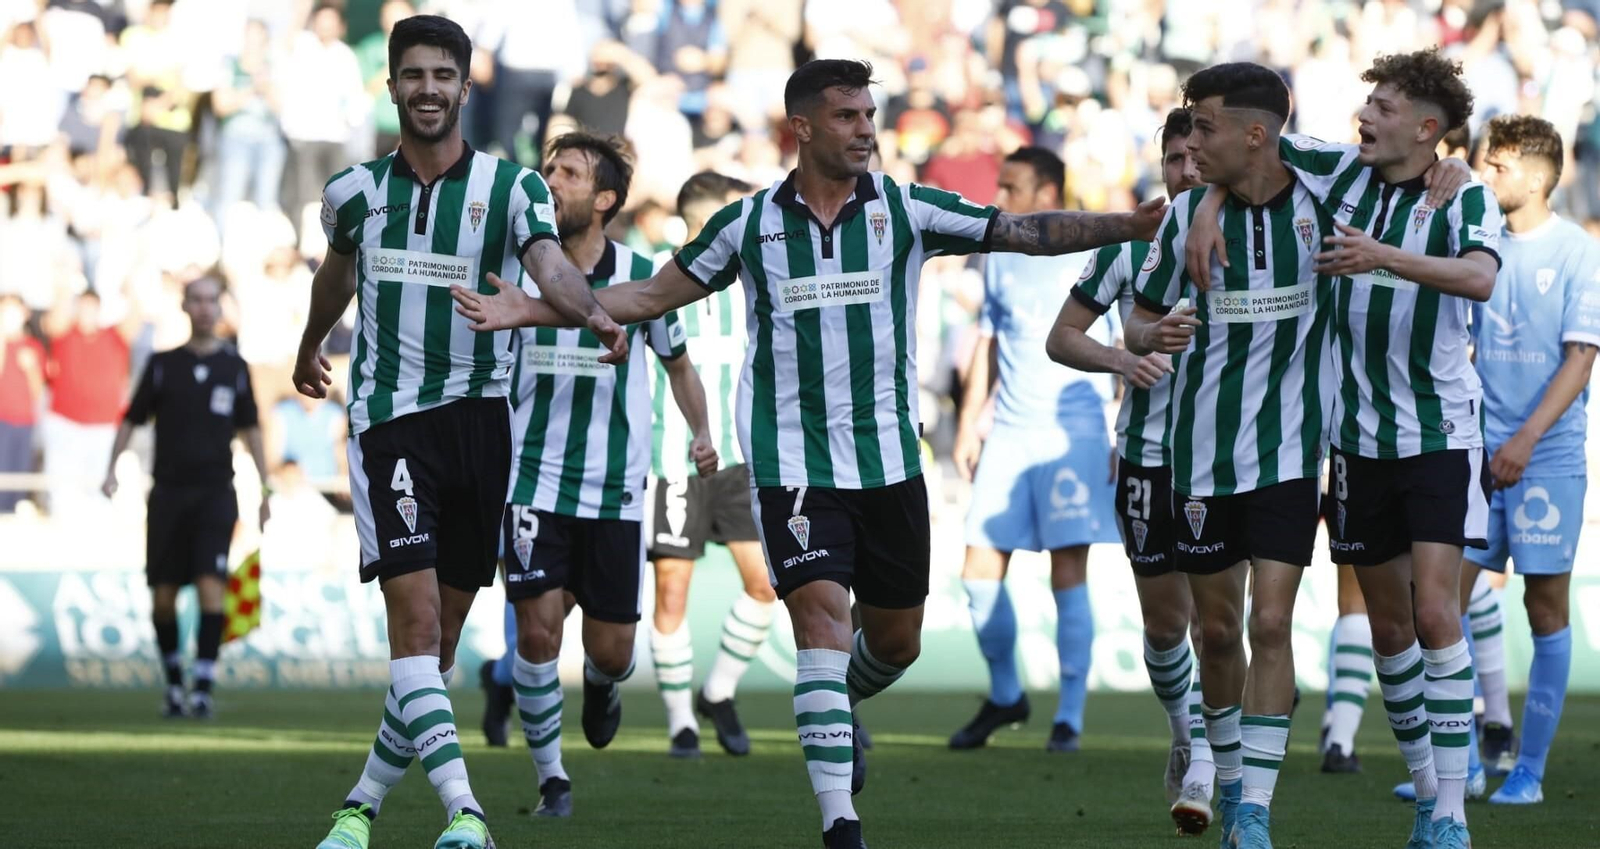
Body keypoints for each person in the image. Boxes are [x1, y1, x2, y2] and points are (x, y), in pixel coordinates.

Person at [453, 57, 1164, 849]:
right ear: (803, 127)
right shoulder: (749, 225)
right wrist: (532, 307)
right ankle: (840, 823)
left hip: (891, 462)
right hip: (792, 466)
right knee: (821, 621)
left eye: (868, 115)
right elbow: (648, 298)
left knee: (895, 641)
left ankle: (843, 706)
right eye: (849, 116)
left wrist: (1123, 226)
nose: (866, 129)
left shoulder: (907, 208)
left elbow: (1024, 232)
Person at [295, 16, 625, 849]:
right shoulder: (354, 192)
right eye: (414, 74)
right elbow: (336, 272)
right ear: (393, 85)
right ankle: (465, 813)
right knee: (412, 628)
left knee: (434, 649)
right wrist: (307, 342)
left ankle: (359, 806)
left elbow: (549, 264)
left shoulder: (514, 190)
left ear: (466, 85)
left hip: (484, 426)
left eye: (444, 74)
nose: (429, 88)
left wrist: (585, 311)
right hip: (389, 420)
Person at [1183, 49, 1499, 849]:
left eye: (1385, 107)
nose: (1366, 116)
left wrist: (1383, 255)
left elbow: (1479, 280)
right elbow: (1248, 149)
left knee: (1434, 612)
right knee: (1388, 631)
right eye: (1368, 103)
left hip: (1438, 432)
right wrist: (1209, 203)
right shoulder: (1338, 172)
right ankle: (1428, 794)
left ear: (1427, 129)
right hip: (1353, 439)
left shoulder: (1465, 196)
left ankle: (1454, 813)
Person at [1124, 62, 1335, 849]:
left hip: (1288, 451)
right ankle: (1227, 775)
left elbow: (1397, 162)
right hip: (1200, 455)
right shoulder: (1182, 222)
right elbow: (1136, 325)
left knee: (1273, 621)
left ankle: (1253, 811)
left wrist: (1449, 160)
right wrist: (1157, 335)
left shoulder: (1325, 193)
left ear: (1254, 133)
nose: (1191, 141)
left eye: (1205, 126)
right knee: (1218, 634)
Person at [498, 131, 715, 818]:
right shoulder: (518, 268)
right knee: (535, 634)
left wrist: (703, 431)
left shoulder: (644, 275)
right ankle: (552, 779)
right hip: (532, 482)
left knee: (615, 650)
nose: (549, 180)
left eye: (566, 172)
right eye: (547, 168)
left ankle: (601, 681)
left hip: (618, 488)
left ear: (605, 199)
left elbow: (679, 364)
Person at [1047, 107, 1216, 833]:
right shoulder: (1131, 247)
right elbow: (1062, 337)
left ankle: (1209, 757)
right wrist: (1123, 357)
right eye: (1174, 159)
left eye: (1195, 156)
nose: (1186, 171)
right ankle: (1185, 731)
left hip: (1233, 459)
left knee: (1222, 618)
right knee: (1165, 623)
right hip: (1148, 452)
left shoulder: (1262, 235)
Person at [946, 145, 1119, 755]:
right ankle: (1006, 693)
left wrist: (1118, 428)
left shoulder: (1099, 249)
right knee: (978, 569)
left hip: (1073, 430)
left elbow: (1125, 345)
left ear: (1048, 196)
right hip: (1010, 432)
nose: (1001, 198)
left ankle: (1069, 715)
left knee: (1067, 569)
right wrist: (970, 423)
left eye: (1012, 188)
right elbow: (989, 341)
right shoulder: (1000, 255)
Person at [1467, 114, 1600, 805]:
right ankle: (1461, 759)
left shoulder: (1577, 251)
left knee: (1545, 605)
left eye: (1500, 165)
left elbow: (1581, 358)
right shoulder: (1480, 244)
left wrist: (1521, 441)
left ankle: (1530, 770)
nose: (1488, 174)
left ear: (1540, 175)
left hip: (1544, 457)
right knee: (1443, 596)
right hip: (1477, 455)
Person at [641, 171, 780, 760]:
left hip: (741, 457)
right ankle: (681, 725)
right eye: (735, 210)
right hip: (673, 459)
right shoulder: (651, 272)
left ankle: (717, 692)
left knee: (767, 585)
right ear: (705, 218)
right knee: (671, 592)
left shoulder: (757, 270)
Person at [101, 278, 270, 719]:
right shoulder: (162, 365)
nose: (204, 307)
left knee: (212, 590)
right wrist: (111, 470)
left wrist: (266, 489)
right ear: (184, 306)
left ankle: (203, 688)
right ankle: (174, 684)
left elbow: (251, 427)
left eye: (211, 300)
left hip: (216, 493)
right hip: (168, 494)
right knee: (164, 595)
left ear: (220, 307)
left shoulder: (235, 366)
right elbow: (132, 418)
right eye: (196, 300)